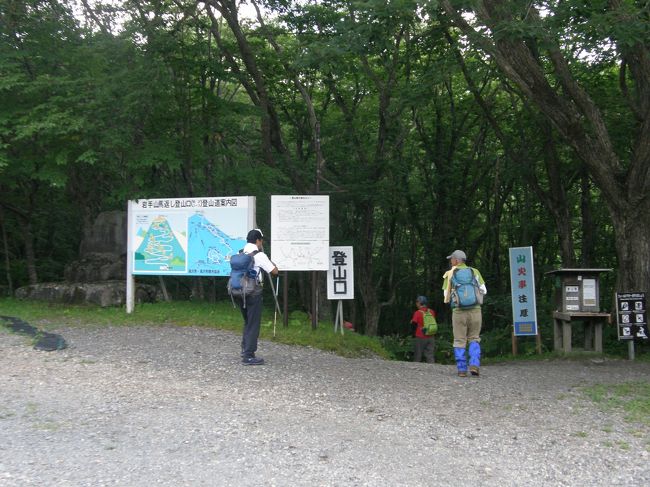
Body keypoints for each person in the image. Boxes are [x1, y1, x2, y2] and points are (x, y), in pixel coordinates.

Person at [236, 228, 278, 365]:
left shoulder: (240, 253)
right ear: (258, 240)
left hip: (238, 292)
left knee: (248, 322)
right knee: (253, 324)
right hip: (253, 293)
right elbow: (274, 271)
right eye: (261, 241)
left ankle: (245, 349)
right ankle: (248, 355)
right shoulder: (259, 255)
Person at [442, 250, 487, 377]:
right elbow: (484, 290)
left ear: (456, 260)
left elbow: (445, 296)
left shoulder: (450, 274)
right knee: (474, 337)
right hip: (475, 311)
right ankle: (474, 364)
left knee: (459, 339)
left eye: (451, 259)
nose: (451, 261)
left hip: (458, 312)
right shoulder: (474, 271)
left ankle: (462, 369)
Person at [410, 296, 436, 363]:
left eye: (417, 302)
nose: (416, 304)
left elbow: (414, 324)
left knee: (418, 355)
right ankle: (431, 369)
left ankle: (415, 370)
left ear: (419, 303)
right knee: (430, 355)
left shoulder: (418, 312)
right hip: (431, 336)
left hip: (420, 336)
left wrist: (413, 333)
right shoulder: (431, 311)